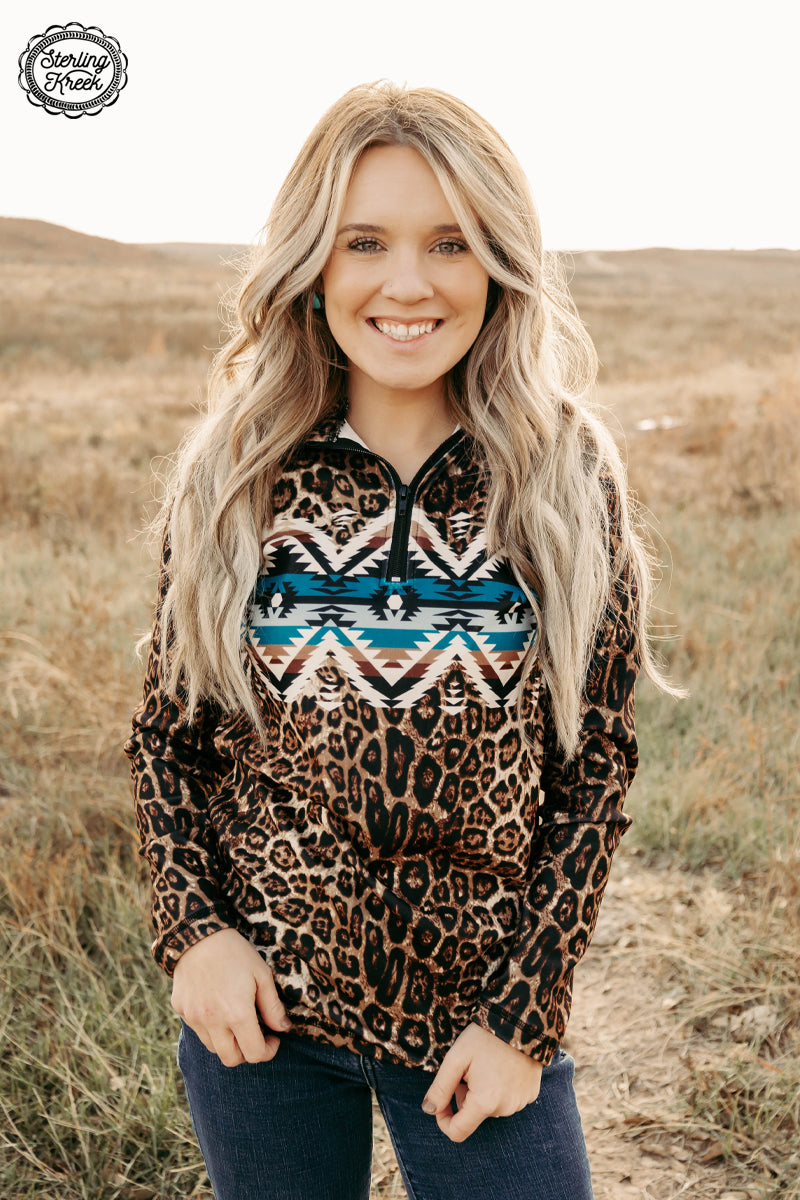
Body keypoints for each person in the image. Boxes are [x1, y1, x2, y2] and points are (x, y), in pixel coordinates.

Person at [125, 81, 672, 1200]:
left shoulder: (564, 480)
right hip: (262, 1025)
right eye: (364, 241)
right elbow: (165, 739)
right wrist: (195, 939)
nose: (409, 283)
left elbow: (597, 766)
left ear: (499, 265)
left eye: (450, 242)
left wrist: (523, 1019)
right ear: (312, 265)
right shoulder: (235, 477)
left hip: (478, 1022)